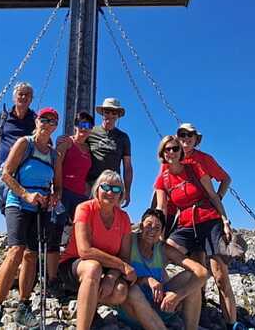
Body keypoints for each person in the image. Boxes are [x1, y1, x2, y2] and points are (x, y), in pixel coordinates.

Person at [153, 136, 243, 330]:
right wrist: (158, 235)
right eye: (167, 149)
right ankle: (155, 296)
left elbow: (212, 195)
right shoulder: (162, 178)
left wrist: (225, 221)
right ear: (162, 153)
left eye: (175, 148)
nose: (171, 152)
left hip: (209, 221)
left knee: (220, 276)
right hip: (186, 225)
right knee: (162, 254)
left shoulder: (194, 167)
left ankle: (232, 324)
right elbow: (161, 208)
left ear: (181, 151)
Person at [0, 107, 60, 330]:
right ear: (36, 121)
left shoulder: (54, 155)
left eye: (52, 121)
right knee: (16, 250)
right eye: (44, 119)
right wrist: (26, 194)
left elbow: (58, 186)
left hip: (40, 207)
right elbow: (6, 174)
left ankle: (23, 307)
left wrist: (53, 197)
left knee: (31, 255)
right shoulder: (24, 144)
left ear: (56, 126)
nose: (47, 124)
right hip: (18, 202)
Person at [57, 170, 135, 330]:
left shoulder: (124, 218)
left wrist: (111, 278)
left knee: (120, 291)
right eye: (105, 187)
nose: (110, 192)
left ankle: (88, 304)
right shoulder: (85, 208)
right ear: (97, 189)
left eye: (116, 189)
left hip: (107, 269)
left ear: (121, 195)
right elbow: (85, 251)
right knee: (93, 267)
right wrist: (121, 266)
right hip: (75, 265)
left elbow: (125, 256)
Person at [117, 209, 208, 330]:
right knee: (133, 291)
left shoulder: (163, 248)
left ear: (161, 232)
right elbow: (122, 276)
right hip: (132, 309)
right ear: (141, 226)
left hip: (158, 304)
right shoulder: (129, 242)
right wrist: (146, 280)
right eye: (149, 225)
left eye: (157, 228)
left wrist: (178, 296)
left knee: (190, 277)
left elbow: (202, 271)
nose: (152, 230)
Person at [49, 111, 96, 281]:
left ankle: (71, 273)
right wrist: (56, 188)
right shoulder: (67, 143)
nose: (84, 128)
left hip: (80, 197)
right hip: (64, 193)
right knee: (56, 233)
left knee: (79, 236)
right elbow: (57, 164)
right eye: (81, 124)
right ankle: (52, 277)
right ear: (75, 126)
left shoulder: (88, 149)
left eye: (88, 126)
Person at [86, 98, 133, 207]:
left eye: (114, 112)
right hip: (91, 184)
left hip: (113, 188)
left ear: (118, 115)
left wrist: (127, 191)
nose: (110, 115)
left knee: (110, 216)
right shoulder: (91, 132)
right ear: (102, 113)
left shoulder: (123, 137)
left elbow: (127, 167)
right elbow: (77, 145)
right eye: (107, 111)